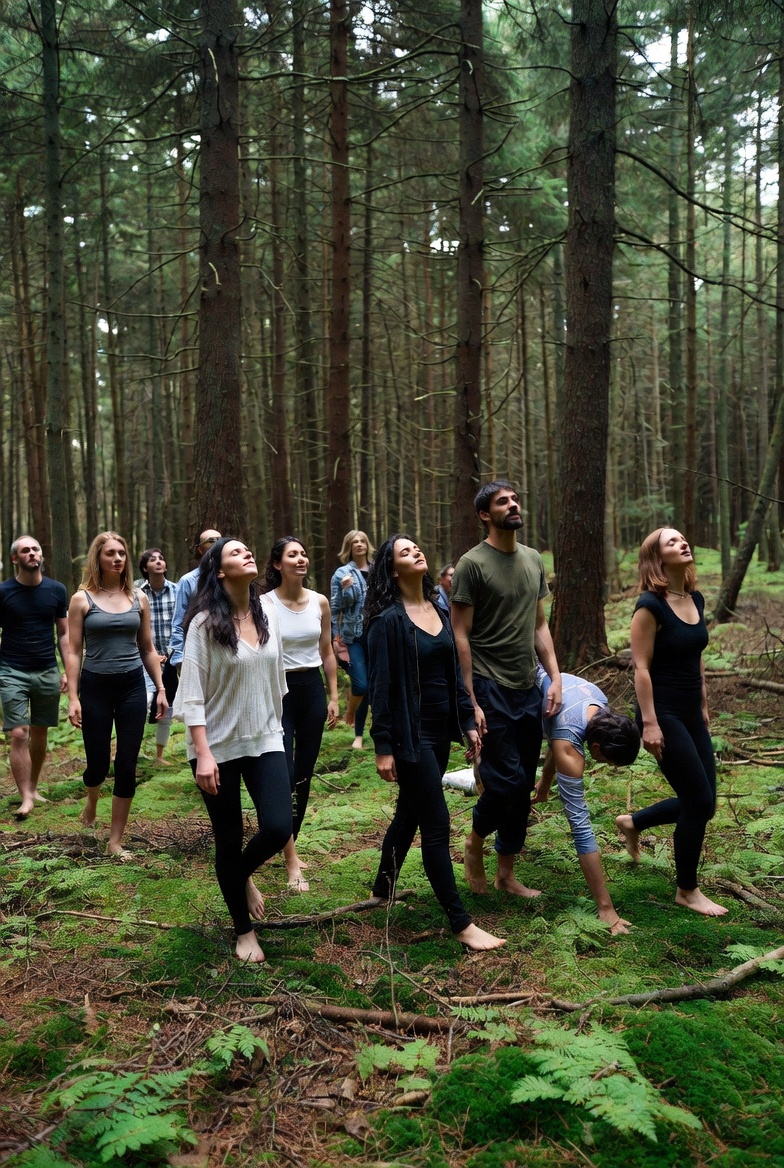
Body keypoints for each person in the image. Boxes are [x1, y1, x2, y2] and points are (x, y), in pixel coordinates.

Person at [366, 534, 505, 952]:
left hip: (439, 733)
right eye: (404, 552)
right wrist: (383, 746)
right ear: (393, 570)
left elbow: (452, 673)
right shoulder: (386, 621)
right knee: (436, 823)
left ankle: (382, 888)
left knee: (409, 813)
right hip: (410, 739)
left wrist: (467, 721)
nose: (416, 553)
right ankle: (461, 923)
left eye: (416, 548)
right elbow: (381, 689)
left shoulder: (438, 608)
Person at [173, 537, 292, 963]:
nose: (247, 553)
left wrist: (278, 728)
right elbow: (190, 696)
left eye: (248, 549)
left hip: (265, 737)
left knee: (279, 827)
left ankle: (237, 876)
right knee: (229, 837)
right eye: (235, 552)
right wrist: (202, 753)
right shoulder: (203, 624)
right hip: (216, 745)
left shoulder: (268, 615)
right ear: (220, 572)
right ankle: (243, 930)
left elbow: (277, 679)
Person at [450, 479, 562, 898]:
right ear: (485, 514)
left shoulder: (533, 559)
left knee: (524, 783)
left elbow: (539, 624)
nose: (513, 505)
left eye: (516, 499)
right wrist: (470, 699)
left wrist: (554, 677)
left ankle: (507, 872)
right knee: (504, 783)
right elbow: (460, 634)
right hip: (488, 683)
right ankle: (474, 844)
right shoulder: (472, 564)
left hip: (527, 685)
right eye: (503, 502)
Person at [616, 527, 728, 917]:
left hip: (689, 712)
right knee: (698, 801)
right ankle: (687, 890)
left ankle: (634, 822)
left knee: (705, 801)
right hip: (661, 712)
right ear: (657, 558)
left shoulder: (694, 598)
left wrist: (703, 703)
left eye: (684, 538)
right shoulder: (650, 605)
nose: (683, 542)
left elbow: (696, 653)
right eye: (672, 542)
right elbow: (641, 667)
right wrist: (649, 723)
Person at [66, 532, 167, 857]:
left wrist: (161, 689)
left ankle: (115, 841)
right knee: (97, 765)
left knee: (126, 764)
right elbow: (74, 651)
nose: (118, 558)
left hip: (131, 688)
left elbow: (147, 647)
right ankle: (92, 799)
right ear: (98, 558)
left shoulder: (138, 598)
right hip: (95, 687)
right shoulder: (82, 600)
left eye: (122, 552)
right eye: (110, 553)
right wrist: (73, 697)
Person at [532, 666, 640, 934]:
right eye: (610, 762)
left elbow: (556, 742)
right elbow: (579, 823)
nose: (610, 767)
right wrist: (606, 908)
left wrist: (544, 786)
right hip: (510, 691)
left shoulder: (599, 703)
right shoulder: (570, 740)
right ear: (595, 748)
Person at [262, 536, 339, 892]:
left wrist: (334, 695)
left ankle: (289, 838)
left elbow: (326, 652)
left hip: (312, 692)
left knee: (304, 772)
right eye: (293, 555)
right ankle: (290, 859)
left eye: (304, 553)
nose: (302, 559)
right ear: (277, 564)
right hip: (279, 692)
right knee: (284, 771)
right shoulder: (263, 604)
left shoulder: (320, 602)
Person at [0, 535, 69, 818]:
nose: (31, 553)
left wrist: (67, 671)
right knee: (19, 733)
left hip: (47, 669)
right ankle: (25, 797)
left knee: (40, 733)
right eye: (25, 550)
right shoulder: (3, 592)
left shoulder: (56, 590)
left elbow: (64, 634)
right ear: (15, 558)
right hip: (11, 670)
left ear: (41, 555)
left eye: (35, 549)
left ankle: (34, 787)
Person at [330, 529, 374, 749]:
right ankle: (350, 712)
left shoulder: (377, 570)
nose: (359, 544)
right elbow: (336, 607)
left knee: (373, 685)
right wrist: (334, 638)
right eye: (354, 541)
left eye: (362, 541)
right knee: (361, 683)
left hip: (377, 635)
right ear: (349, 546)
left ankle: (361, 737)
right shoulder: (341, 573)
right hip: (353, 636)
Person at [138, 548, 177, 764]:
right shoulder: (138, 594)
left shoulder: (177, 591)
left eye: (161, 558)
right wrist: (152, 654)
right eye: (153, 560)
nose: (159, 562)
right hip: (145, 658)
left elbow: (181, 624)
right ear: (145, 568)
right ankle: (131, 749)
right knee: (143, 702)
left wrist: (170, 654)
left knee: (167, 707)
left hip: (171, 660)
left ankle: (159, 755)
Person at [169, 528, 221, 668]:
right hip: (197, 653)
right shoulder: (188, 581)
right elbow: (178, 621)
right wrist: (179, 656)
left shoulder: (231, 577)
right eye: (211, 541)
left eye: (220, 540)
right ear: (200, 549)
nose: (216, 544)